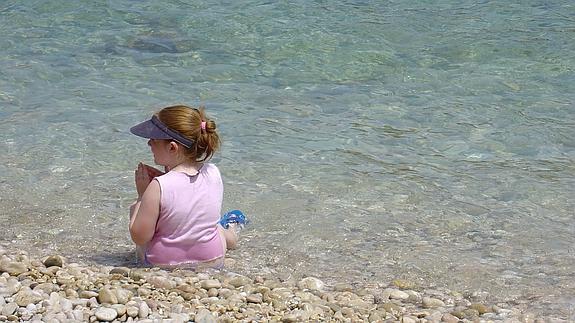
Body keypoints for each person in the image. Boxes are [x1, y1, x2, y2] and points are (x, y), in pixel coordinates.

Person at [128, 104, 247, 269]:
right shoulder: (213, 172)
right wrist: (163, 179)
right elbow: (188, 196)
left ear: (172, 147)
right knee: (213, 225)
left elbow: (140, 237)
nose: (149, 143)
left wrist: (142, 197)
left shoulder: (157, 186)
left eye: (154, 140)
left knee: (141, 220)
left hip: (162, 262)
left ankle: (230, 234)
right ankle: (232, 234)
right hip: (213, 258)